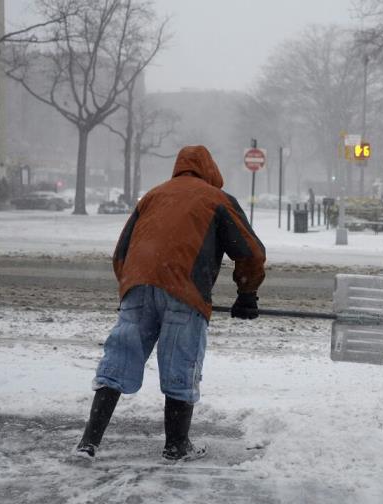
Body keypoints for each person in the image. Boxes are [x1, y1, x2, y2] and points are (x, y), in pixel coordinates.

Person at [75, 145, 266, 462]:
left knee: (118, 360)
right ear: (209, 169)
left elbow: (122, 252)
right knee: (181, 362)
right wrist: (246, 294)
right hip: (184, 291)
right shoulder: (216, 199)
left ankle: (88, 443)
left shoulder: (153, 195)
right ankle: (176, 446)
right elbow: (250, 251)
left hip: (137, 285)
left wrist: (130, 289)